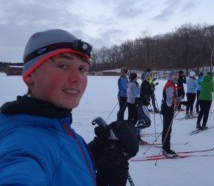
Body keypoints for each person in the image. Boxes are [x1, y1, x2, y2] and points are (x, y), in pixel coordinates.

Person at [0, 29, 138, 186]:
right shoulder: (20, 147)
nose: (78, 78)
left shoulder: (54, 124)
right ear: (30, 74)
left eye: (82, 69)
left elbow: (58, 165)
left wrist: (98, 150)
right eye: (63, 65)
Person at [160, 70, 180, 158]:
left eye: (177, 76)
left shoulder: (172, 84)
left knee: (168, 128)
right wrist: (177, 99)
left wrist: (177, 98)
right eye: (175, 75)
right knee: (167, 129)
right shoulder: (169, 85)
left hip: (169, 109)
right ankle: (166, 149)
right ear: (171, 76)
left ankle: (166, 147)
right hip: (168, 109)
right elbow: (169, 101)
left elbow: (171, 98)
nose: (177, 77)